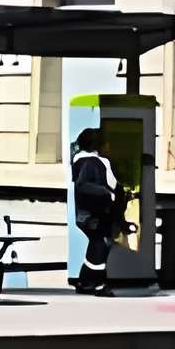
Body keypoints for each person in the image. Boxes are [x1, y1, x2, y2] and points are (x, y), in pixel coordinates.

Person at [68, 124, 118, 293]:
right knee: (100, 245)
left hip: (91, 213)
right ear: (96, 145)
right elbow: (84, 185)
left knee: (97, 245)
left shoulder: (87, 161)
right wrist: (107, 194)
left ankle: (85, 282)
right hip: (94, 213)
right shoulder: (91, 162)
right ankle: (96, 283)